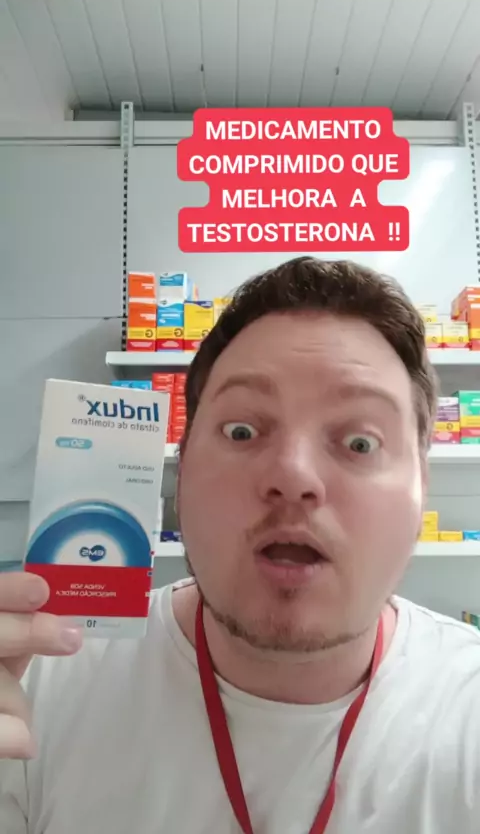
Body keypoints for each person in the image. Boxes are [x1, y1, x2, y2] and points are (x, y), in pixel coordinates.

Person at [0, 256, 479, 834]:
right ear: (181, 468)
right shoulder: (32, 691)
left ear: (421, 486)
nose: (294, 476)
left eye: (360, 442)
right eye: (242, 431)